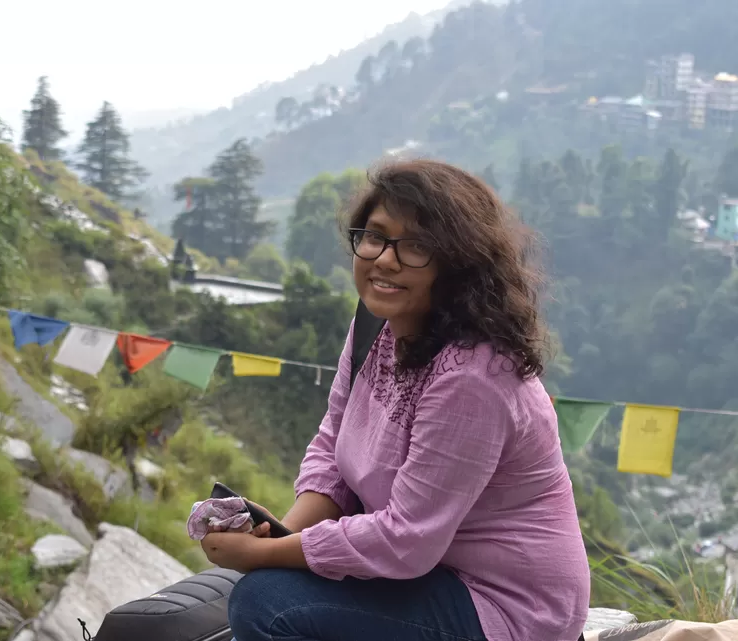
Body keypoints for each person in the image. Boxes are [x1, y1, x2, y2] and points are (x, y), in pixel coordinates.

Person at [199, 159, 590, 641]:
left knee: (268, 605)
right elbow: (333, 443)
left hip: (505, 605)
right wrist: (281, 534)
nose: (385, 258)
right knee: (265, 586)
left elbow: (408, 540)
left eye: (417, 246)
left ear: (458, 265)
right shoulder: (376, 323)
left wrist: (270, 557)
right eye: (375, 236)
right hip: (428, 571)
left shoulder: (474, 376)